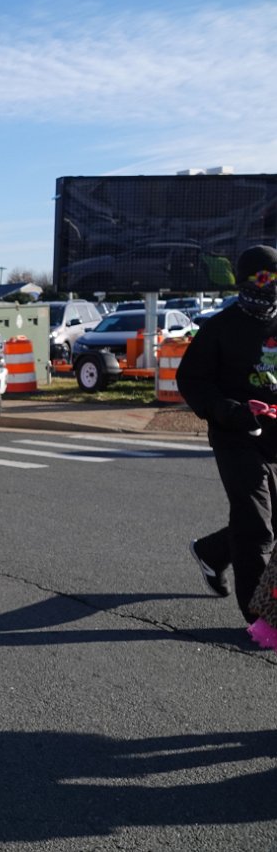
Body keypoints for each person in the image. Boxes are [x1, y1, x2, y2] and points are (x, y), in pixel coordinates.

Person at [177, 244, 277, 626]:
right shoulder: (220, 327)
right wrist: (228, 410)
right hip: (234, 436)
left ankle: (212, 552)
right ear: (246, 281)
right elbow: (191, 380)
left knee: (270, 518)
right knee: (256, 525)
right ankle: (259, 618)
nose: (270, 287)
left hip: (274, 437)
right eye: (264, 278)